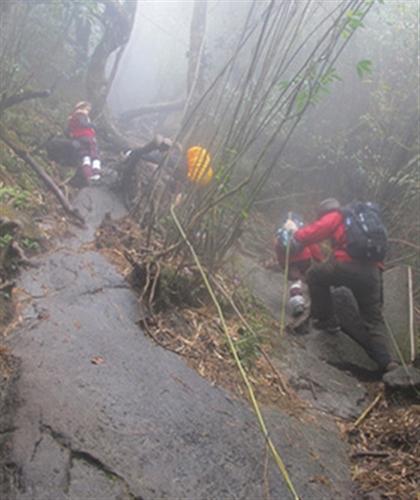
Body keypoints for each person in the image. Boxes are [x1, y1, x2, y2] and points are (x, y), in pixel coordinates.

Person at [291, 198, 397, 372]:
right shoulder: (366, 221)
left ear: (324, 211)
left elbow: (315, 232)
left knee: (315, 275)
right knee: (373, 318)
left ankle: (327, 321)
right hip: (372, 273)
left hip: (345, 264)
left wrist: (296, 236)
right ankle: (387, 362)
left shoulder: (337, 216)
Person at [67, 101, 101, 183]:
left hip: (78, 138)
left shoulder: (72, 118)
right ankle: (96, 173)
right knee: (94, 155)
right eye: (87, 109)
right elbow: (83, 124)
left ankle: (88, 175)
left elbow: (68, 130)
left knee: (85, 156)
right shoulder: (82, 115)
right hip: (88, 137)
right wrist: (92, 125)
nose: (88, 111)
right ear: (83, 108)